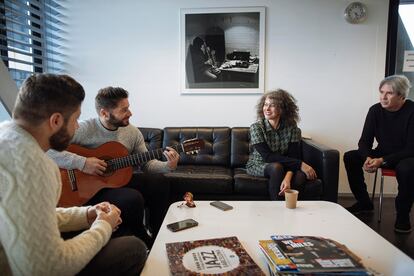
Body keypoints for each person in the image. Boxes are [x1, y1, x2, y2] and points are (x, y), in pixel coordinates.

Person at [0, 74, 147, 275]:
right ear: (56, 121)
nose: (78, 126)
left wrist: (86, 214)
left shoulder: (7, 136)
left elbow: (36, 216)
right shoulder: (32, 164)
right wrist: (103, 227)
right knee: (134, 248)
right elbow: (48, 267)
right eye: (76, 119)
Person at [48, 86, 180, 242]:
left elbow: (147, 164)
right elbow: (48, 149)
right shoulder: (82, 129)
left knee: (160, 182)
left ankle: (160, 234)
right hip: (86, 188)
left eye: (128, 108)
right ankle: (140, 237)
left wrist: (167, 166)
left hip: (115, 181)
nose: (130, 113)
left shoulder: (132, 132)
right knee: (132, 199)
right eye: (124, 110)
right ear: (104, 113)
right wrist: (83, 162)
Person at [343, 75, 414, 234]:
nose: (383, 96)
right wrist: (368, 158)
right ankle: (364, 203)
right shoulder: (375, 110)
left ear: (401, 96)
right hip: (382, 153)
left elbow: (411, 148)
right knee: (350, 156)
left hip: (407, 156)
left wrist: (382, 161)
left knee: (406, 169)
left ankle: (403, 216)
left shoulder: (412, 111)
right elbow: (364, 142)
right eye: (381, 92)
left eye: (389, 93)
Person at [246, 89, 317, 200]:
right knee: (276, 167)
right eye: (265, 104)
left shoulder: (292, 127)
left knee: (300, 176)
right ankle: (276, 208)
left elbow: (293, 156)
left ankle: (294, 210)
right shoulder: (256, 128)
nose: (267, 109)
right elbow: (268, 157)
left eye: (272, 105)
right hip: (259, 164)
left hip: (285, 164)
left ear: (282, 109)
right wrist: (300, 164)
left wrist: (287, 178)